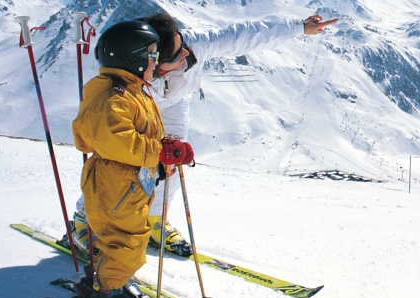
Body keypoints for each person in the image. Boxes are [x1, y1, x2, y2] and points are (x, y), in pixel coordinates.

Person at [67, 13, 338, 257]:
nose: (186, 54)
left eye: (182, 45)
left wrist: (299, 27)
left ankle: (154, 220)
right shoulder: (124, 79)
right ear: (150, 63)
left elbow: (244, 34)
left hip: (174, 105)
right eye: (176, 56)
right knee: (118, 164)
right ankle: (86, 218)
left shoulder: (193, 45)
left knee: (169, 166)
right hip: (139, 108)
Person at [70, 20, 193, 298]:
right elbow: (117, 140)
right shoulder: (114, 98)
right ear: (133, 58)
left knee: (126, 238)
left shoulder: (134, 92)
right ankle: (107, 296)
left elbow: (140, 134)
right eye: (151, 54)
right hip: (114, 182)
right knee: (127, 242)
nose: (157, 60)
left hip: (128, 183)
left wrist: (168, 147)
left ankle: (108, 279)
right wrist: (158, 152)